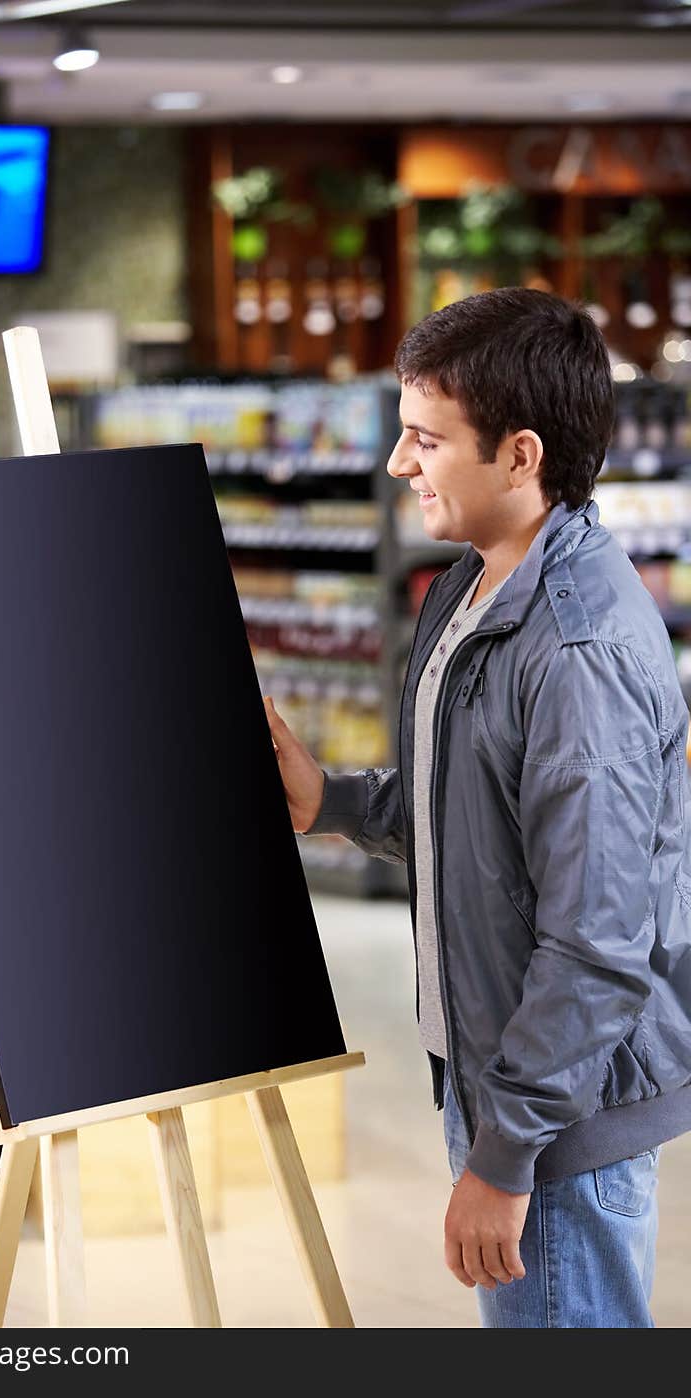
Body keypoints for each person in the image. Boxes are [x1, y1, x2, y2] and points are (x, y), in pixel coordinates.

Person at [263, 287, 691, 1329]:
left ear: (519, 455)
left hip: (560, 1113)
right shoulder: (470, 587)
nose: (399, 465)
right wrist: (329, 801)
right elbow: (471, 810)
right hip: (507, 1078)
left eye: (425, 440)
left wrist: (506, 1157)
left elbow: (595, 940)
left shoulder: (577, 652)